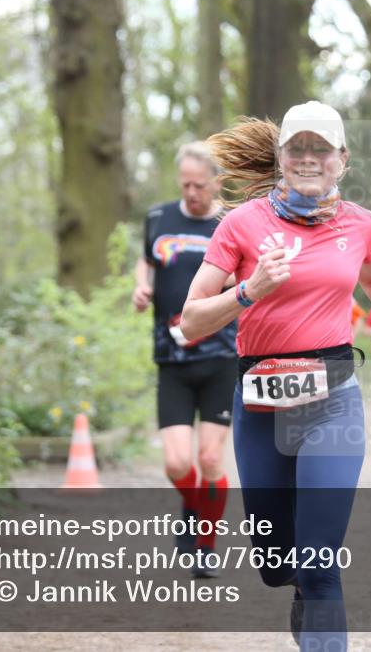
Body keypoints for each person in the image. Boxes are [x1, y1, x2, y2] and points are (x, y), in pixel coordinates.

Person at [180, 101, 371, 650]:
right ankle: (298, 589)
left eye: (320, 148)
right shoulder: (241, 225)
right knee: (278, 564)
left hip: (334, 399)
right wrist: (249, 290)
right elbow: (193, 319)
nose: (307, 158)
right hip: (260, 402)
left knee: (320, 558)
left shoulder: (362, 224)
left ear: (341, 160)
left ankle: (317, 602)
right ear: (279, 157)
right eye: (297, 147)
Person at [132, 141, 236, 578]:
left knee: (210, 460)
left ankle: (204, 545)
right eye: (185, 184)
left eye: (200, 184)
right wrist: (141, 287)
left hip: (221, 355)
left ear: (217, 182)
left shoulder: (231, 223)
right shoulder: (158, 217)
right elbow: (146, 260)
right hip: (171, 358)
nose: (192, 192)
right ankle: (197, 509)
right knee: (176, 463)